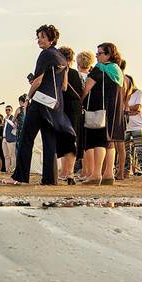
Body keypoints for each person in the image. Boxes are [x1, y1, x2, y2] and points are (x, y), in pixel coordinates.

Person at [3, 25, 75, 186]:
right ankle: (50, 179)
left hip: (40, 101)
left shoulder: (45, 54)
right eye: (38, 37)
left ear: (51, 38)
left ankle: (20, 177)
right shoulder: (62, 58)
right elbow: (64, 86)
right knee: (49, 141)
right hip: (54, 105)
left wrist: (28, 98)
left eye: (43, 37)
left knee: (26, 138)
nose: (39, 40)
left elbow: (38, 80)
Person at [79, 42, 126, 186]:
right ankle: (108, 174)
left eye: (99, 53)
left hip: (98, 109)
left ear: (108, 55)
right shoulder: (117, 70)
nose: (97, 56)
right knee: (109, 141)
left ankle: (96, 174)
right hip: (114, 111)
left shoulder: (99, 69)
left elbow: (86, 89)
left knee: (98, 140)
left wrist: (79, 101)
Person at [58, 46, 83, 183]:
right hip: (75, 107)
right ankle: (70, 172)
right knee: (72, 139)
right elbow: (80, 91)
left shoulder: (59, 72)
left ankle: (64, 172)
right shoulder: (74, 73)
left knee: (64, 139)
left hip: (63, 107)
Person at [123, 73, 142, 178]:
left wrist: (126, 109)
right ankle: (126, 170)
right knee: (125, 149)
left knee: (139, 148)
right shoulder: (122, 94)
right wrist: (130, 110)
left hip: (137, 125)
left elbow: (137, 107)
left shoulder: (137, 93)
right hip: (125, 125)